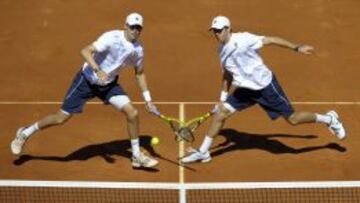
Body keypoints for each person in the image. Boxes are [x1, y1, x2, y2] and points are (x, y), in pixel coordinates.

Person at [181, 16, 346, 164]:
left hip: (265, 86)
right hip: (246, 89)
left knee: (293, 119)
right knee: (221, 113)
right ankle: (203, 152)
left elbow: (271, 40)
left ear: (228, 29)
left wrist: (296, 47)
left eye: (219, 31)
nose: (216, 34)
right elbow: (227, 74)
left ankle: (329, 119)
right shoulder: (221, 51)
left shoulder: (244, 39)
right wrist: (223, 97)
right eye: (214, 31)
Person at [11, 12, 159, 168]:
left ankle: (136, 156)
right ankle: (25, 133)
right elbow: (85, 51)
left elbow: (140, 73)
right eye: (132, 27)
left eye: (138, 28)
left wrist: (148, 100)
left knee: (133, 113)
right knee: (61, 118)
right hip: (86, 81)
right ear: (125, 26)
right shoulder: (111, 37)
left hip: (108, 86)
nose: (135, 30)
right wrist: (97, 69)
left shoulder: (138, 50)